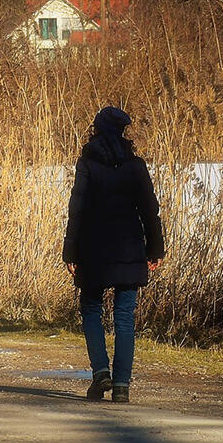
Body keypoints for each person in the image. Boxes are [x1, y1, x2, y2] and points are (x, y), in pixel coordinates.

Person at [62, 106, 164, 403]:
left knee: (91, 311)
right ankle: (121, 386)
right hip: (129, 248)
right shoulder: (136, 166)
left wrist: (70, 252)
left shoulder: (87, 165)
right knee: (123, 318)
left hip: (93, 249)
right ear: (123, 131)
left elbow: (77, 210)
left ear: (95, 130)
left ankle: (100, 373)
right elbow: (150, 211)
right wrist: (155, 249)